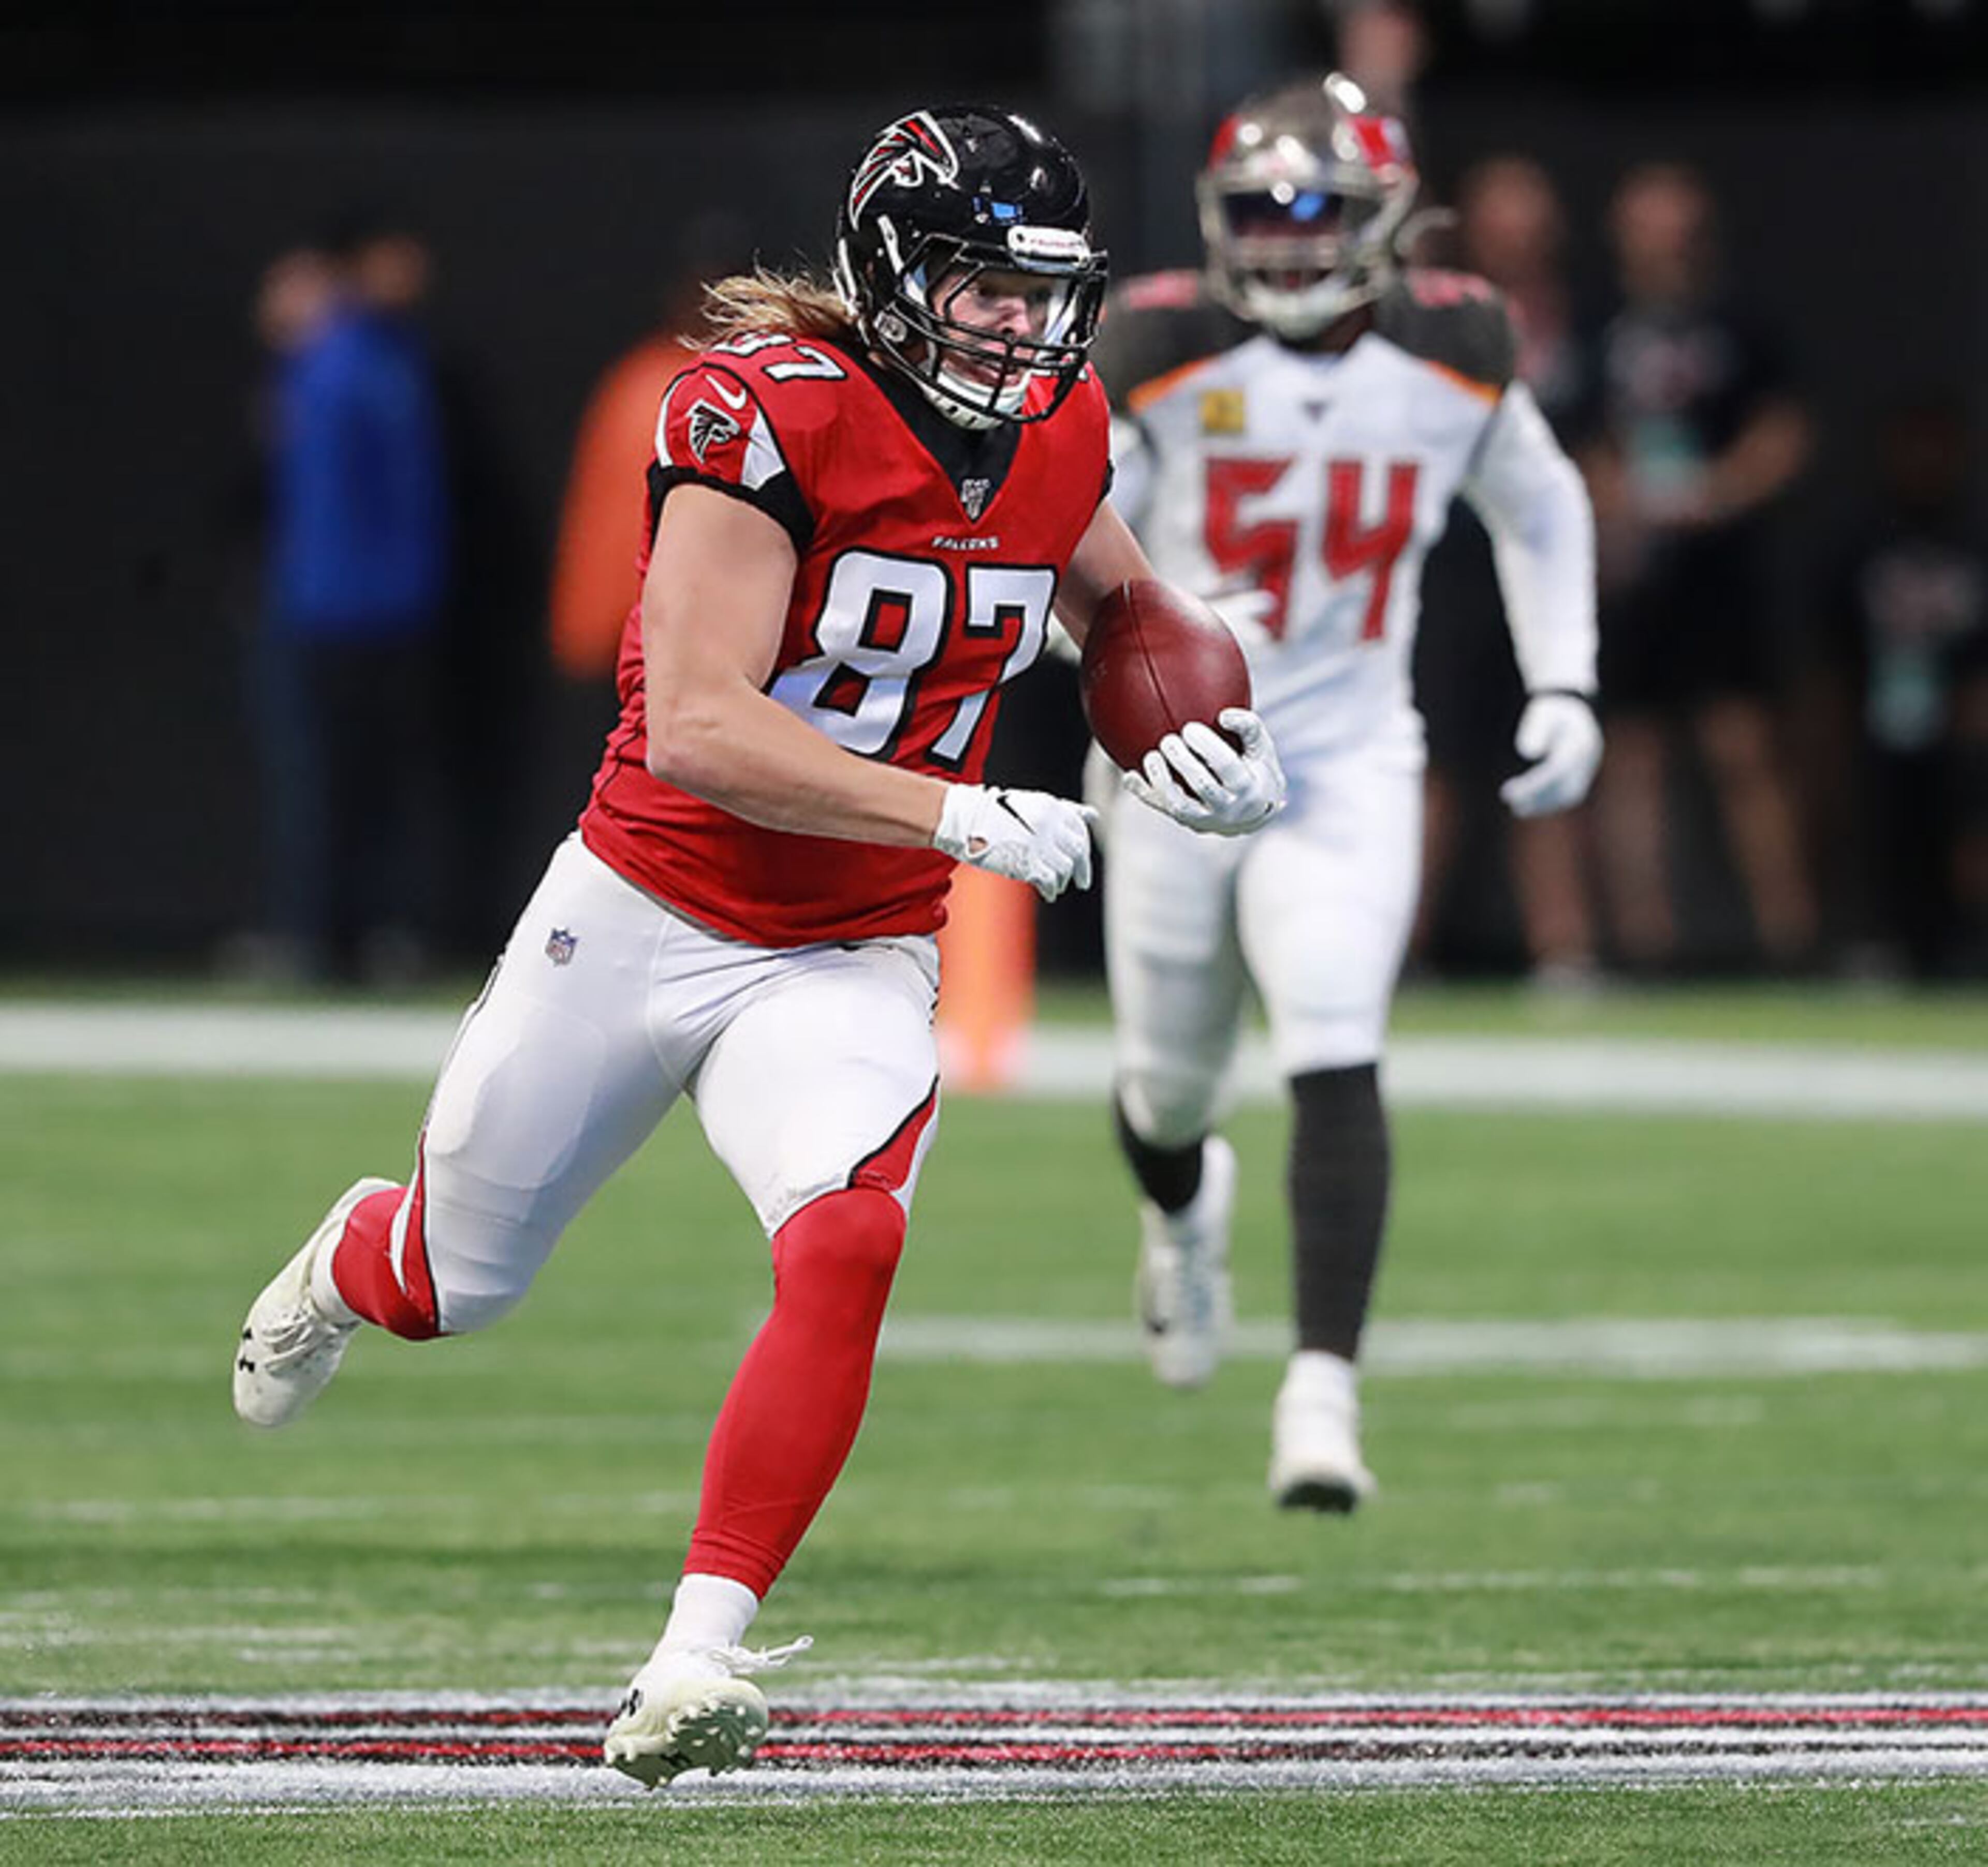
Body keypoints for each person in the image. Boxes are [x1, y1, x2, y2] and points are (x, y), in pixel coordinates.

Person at [228, 106, 1284, 1788]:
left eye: (1044, 294)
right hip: (646, 904)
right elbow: (703, 726)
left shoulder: (1066, 428)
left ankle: (695, 1652)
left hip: (847, 948)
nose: (1021, 328)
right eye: (984, 288)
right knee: (455, 1282)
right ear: (892, 267)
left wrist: (1208, 725)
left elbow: (1118, 608)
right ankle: (357, 1251)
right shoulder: (756, 411)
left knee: (849, 1235)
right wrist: (956, 811)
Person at [1088, 74, 1600, 1510]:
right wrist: (1152, 608)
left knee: (1334, 1033)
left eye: (1319, 210)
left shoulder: (1458, 340)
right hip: (1181, 758)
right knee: (1167, 1088)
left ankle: (1322, 1396)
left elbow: (1543, 507)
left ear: (1385, 223)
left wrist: (1564, 678)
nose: (1291, 239)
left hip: (1350, 753)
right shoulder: (1159, 337)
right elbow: (1066, 520)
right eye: (1262, 211)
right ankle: (1183, 1211)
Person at [1580, 162, 1817, 973]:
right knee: (1633, 757)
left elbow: (1783, 434)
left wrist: (1717, 492)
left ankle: (1792, 941)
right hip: (1632, 570)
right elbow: (1574, 444)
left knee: (1743, 749)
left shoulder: (1741, 327)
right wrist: (1618, 503)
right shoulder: (1601, 329)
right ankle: (1647, 947)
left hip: (1720, 567)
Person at [1414, 154, 1602, 989]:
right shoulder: (1434, 313)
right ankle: (1393, 946)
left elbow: (1578, 467)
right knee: (1432, 763)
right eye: (1502, 204)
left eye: (1532, 203)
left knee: (1551, 745)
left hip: (1530, 562)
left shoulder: (1581, 320)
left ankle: (1564, 945)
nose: (1517, 223)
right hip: (1442, 558)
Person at [254, 223, 453, 983]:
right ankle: (316, 934)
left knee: (376, 782)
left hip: (386, 603)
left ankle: (366, 931)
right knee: (325, 780)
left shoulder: (385, 356)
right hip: (333, 605)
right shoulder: (335, 356)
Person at [1821, 398, 1988, 978]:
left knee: (1967, 831)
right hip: (1885, 712)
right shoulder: (1865, 541)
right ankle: (1890, 938)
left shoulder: (1975, 539)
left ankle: (1968, 941)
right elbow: (1833, 648)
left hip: (1965, 721)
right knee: (1885, 828)